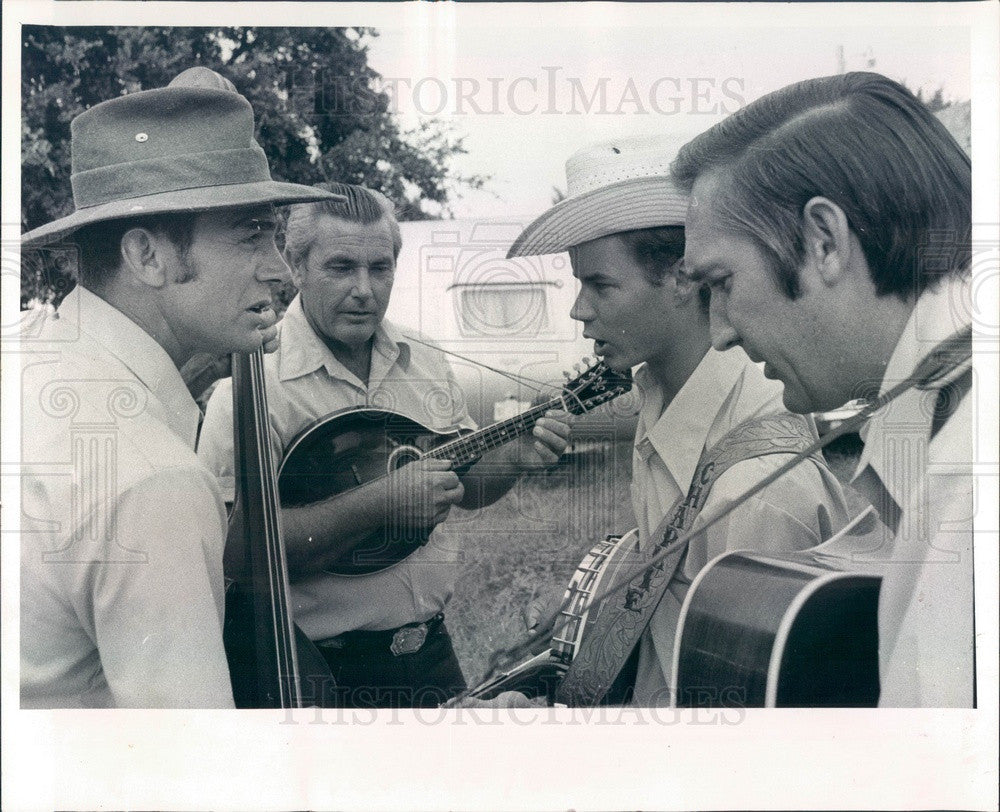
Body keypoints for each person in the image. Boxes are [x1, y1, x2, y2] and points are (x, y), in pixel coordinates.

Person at [19, 67, 339, 708]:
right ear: (147, 257)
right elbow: (190, 769)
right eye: (251, 234)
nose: (281, 271)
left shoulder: (31, 358)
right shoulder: (151, 479)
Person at [501, 133, 851, 706]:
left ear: (686, 280)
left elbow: (742, 715)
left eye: (601, 284)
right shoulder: (664, 399)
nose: (578, 308)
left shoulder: (756, 491)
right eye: (578, 282)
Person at [196, 182, 572, 708]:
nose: (364, 289)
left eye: (380, 268)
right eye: (341, 267)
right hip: (320, 676)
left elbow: (464, 486)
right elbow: (239, 557)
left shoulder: (426, 360)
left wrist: (514, 458)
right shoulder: (252, 386)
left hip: (432, 658)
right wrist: (382, 501)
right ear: (296, 266)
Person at [674, 72, 974, 707]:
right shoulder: (942, 417)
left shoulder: (967, 472)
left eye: (722, 283)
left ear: (824, 242)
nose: (719, 333)